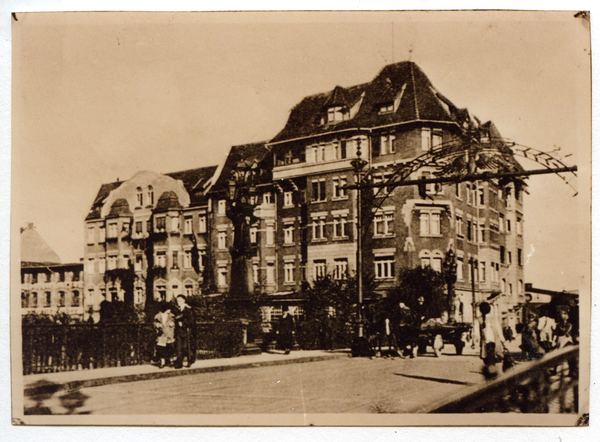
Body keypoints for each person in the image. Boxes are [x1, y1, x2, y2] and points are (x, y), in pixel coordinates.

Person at [477, 302, 506, 379]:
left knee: (488, 360)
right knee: (495, 360)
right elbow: (499, 330)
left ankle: (492, 375)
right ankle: (495, 375)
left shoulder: (479, 319)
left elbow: (476, 332)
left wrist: (475, 341)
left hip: (485, 343)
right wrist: (503, 340)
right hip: (494, 342)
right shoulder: (493, 318)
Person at [173, 295, 196, 369]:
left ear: (184, 300)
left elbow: (192, 321)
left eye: (179, 300)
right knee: (179, 347)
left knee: (186, 347)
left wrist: (183, 324)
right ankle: (179, 363)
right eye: (177, 300)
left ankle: (190, 360)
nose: (178, 302)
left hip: (186, 331)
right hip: (178, 331)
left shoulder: (188, 309)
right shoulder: (176, 309)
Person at [154, 301, 176, 368]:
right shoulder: (158, 316)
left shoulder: (172, 316)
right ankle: (162, 362)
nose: (170, 310)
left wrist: (173, 325)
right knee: (161, 349)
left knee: (170, 348)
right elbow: (155, 323)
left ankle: (171, 361)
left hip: (169, 334)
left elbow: (175, 323)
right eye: (168, 309)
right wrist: (158, 325)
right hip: (162, 334)